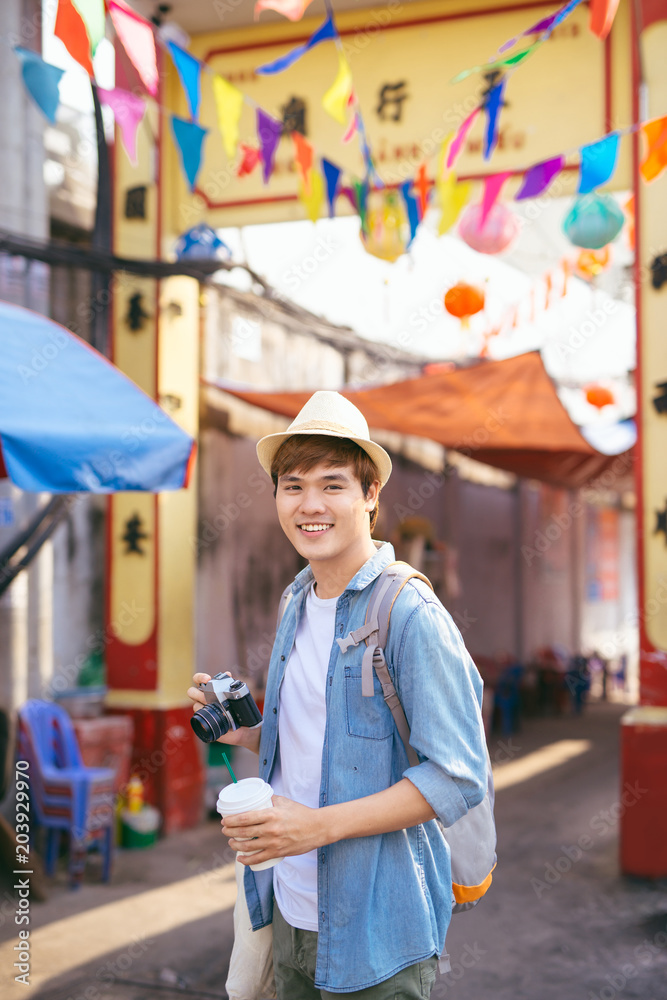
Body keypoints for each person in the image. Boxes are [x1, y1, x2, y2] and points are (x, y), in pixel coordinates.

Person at [188, 391, 488, 999]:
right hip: (287, 906)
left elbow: (458, 776)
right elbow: (315, 739)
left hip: (378, 928)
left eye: (333, 485)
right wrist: (245, 732)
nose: (310, 505)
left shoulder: (409, 614)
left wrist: (317, 828)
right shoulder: (296, 601)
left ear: (370, 495)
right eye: (292, 486)